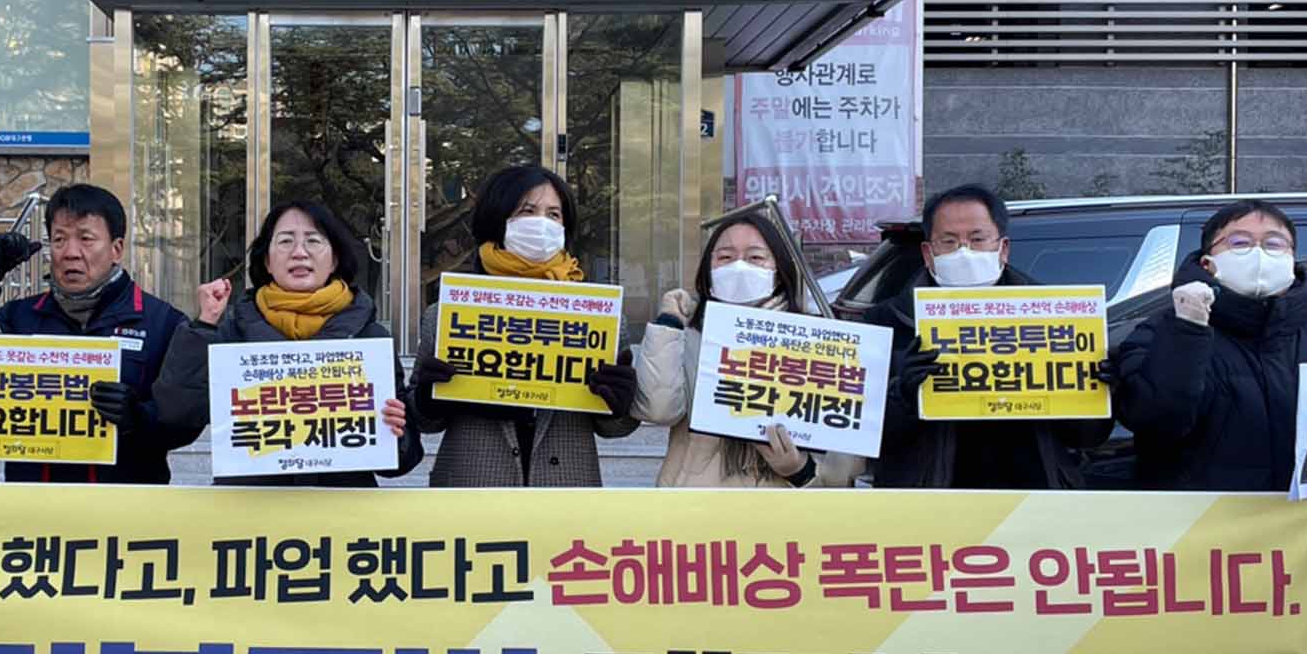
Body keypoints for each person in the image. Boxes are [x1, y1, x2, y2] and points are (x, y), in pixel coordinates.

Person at [152, 200, 424, 486]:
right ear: (267, 261)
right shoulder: (231, 334)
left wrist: (397, 433)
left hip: (342, 510)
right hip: (249, 508)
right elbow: (175, 415)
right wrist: (204, 325)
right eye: (285, 241)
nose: (299, 252)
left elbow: (403, 461)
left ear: (334, 259)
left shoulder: (369, 340)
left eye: (313, 240)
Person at [0, 183, 200, 483]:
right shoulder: (19, 317)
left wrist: (138, 418)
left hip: (127, 505)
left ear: (116, 249)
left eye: (86, 239)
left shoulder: (162, 322)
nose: (70, 253)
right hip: (35, 503)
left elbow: (186, 420)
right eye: (59, 240)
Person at [407, 165, 640, 486]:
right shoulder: (449, 314)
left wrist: (620, 404)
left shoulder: (599, 319)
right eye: (527, 211)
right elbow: (422, 421)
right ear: (497, 219)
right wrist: (427, 398)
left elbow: (616, 428)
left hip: (566, 493)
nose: (541, 224)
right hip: (471, 491)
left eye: (554, 214)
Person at [868, 183, 1112, 488]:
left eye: (977, 239)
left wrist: (1098, 387)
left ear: (1003, 249)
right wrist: (902, 394)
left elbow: (1088, 436)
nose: (964, 252)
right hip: (931, 503)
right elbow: (864, 435)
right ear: (928, 253)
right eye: (949, 241)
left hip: (1033, 497)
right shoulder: (887, 322)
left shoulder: (1056, 319)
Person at [1115, 200, 1307, 491]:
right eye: (1240, 242)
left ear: (1292, 259)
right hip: (1198, 518)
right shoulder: (1160, 332)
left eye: (1274, 244)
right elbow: (1156, 422)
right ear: (1207, 263)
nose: (1259, 253)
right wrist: (1187, 331)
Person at [633, 212, 863, 488]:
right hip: (694, 505)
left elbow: (840, 472)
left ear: (778, 270)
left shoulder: (817, 346)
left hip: (779, 509)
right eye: (725, 257)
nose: (739, 267)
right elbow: (658, 410)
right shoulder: (690, 336)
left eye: (755, 257)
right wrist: (668, 326)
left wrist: (798, 470)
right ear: (708, 270)